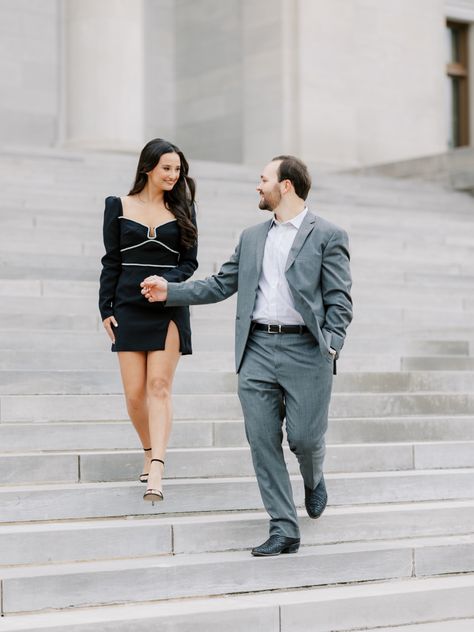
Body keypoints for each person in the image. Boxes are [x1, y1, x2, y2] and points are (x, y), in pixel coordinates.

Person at [141, 155, 352, 554]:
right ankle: (284, 527)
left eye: (264, 179)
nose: (258, 186)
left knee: (305, 439)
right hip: (255, 350)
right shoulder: (252, 237)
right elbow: (221, 284)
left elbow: (340, 300)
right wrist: (172, 291)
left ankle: (313, 477)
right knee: (262, 440)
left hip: (307, 350)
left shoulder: (328, 235)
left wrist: (332, 343)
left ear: (285, 185)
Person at [99, 138, 198, 504]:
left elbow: (190, 263)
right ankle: (147, 447)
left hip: (168, 306)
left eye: (177, 170)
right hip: (127, 305)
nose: (173, 175)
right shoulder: (118, 206)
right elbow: (111, 261)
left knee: (159, 386)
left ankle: (156, 465)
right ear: (148, 168)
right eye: (167, 168)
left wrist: (166, 283)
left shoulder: (184, 211)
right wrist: (105, 308)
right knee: (134, 395)